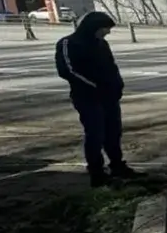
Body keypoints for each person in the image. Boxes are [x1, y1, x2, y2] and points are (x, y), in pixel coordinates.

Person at [54, 11, 141, 187]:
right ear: (93, 27)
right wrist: (95, 86)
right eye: (104, 29)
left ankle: (117, 165)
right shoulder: (68, 43)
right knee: (95, 133)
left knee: (113, 132)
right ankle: (96, 172)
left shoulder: (102, 44)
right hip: (87, 97)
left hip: (109, 96)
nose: (106, 32)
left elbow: (112, 66)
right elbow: (68, 70)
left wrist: (117, 85)